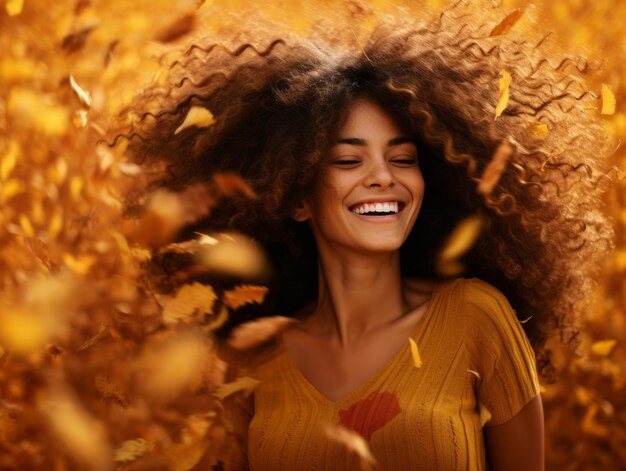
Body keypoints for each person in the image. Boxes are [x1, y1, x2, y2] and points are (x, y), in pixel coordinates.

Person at [119, 2, 614, 470]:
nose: (383, 177)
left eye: (402, 159)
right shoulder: (255, 355)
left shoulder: (478, 317)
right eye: (349, 160)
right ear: (296, 198)